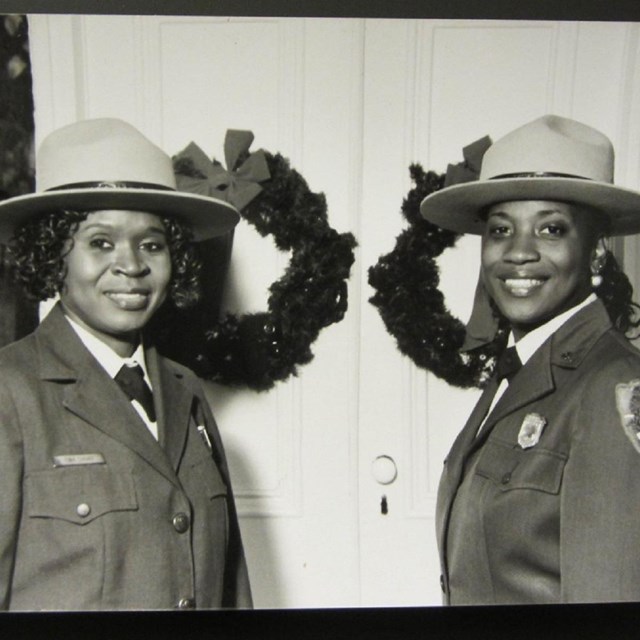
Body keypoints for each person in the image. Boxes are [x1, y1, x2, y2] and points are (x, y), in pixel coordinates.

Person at [0, 118, 252, 610]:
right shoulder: (10, 391)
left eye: (152, 244)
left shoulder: (186, 390)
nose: (132, 265)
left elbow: (232, 588)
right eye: (100, 242)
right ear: (54, 254)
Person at [420, 114, 640, 605]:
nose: (518, 253)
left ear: (597, 252)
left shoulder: (612, 385)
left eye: (551, 229)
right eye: (501, 230)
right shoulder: (519, 367)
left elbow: (611, 602)